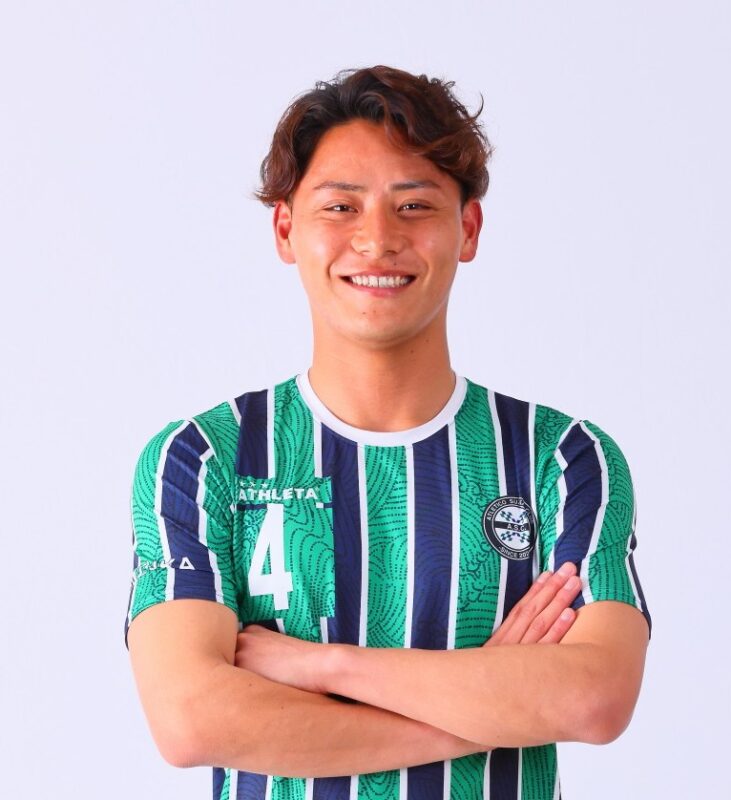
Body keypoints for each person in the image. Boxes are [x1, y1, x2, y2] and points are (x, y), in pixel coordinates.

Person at [126, 65, 651, 800]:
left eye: (414, 206)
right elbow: (190, 719)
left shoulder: (560, 458)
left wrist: (323, 666)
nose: (376, 240)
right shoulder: (204, 457)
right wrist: (493, 701)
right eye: (340, 206)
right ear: (286, 229)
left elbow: (593, 698)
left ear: (467, 229)